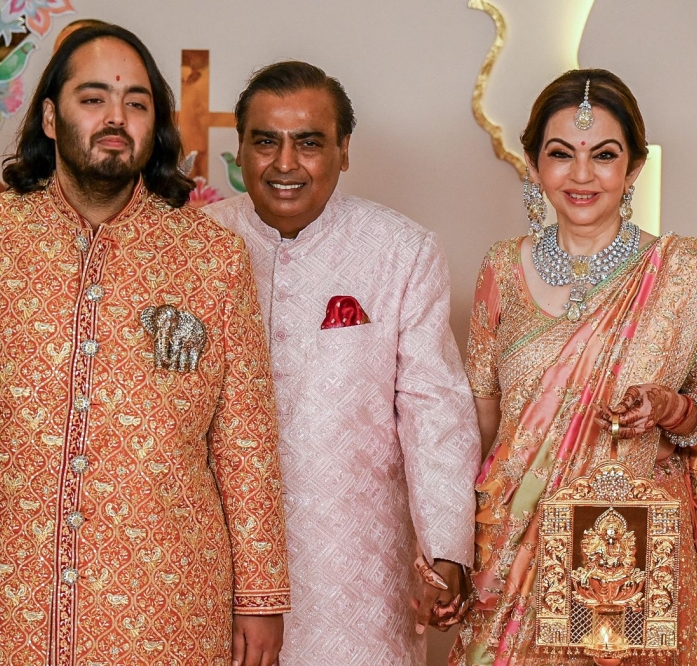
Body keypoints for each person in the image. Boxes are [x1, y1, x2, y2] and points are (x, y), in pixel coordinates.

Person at [0, 23, 290, 666]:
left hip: (161, 605)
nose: (116, 117)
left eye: (136, 103)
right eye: (94, 99)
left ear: (155, 124)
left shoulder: (210, 258)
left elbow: (244, 437)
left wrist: (261, 595)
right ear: (52, 119)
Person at [451, 68, 697, 666]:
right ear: (533, 165)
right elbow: (478, 425)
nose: (582, 175)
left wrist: (671, 408)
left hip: (626, 550)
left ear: (634, 167)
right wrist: (453, 546)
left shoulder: (683, 274)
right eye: (561, 154)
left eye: (604, 155)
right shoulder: (502, 267)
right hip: (514, 549)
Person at [204, 61, 481, 665]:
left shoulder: (400, 251)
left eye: (308, 143)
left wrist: (445, 549)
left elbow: (435, 410)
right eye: (265, 141)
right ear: (241, 148)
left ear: (344, 150)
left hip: (358, 574)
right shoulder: (194, 242)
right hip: (209, 563)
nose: (285, 164)